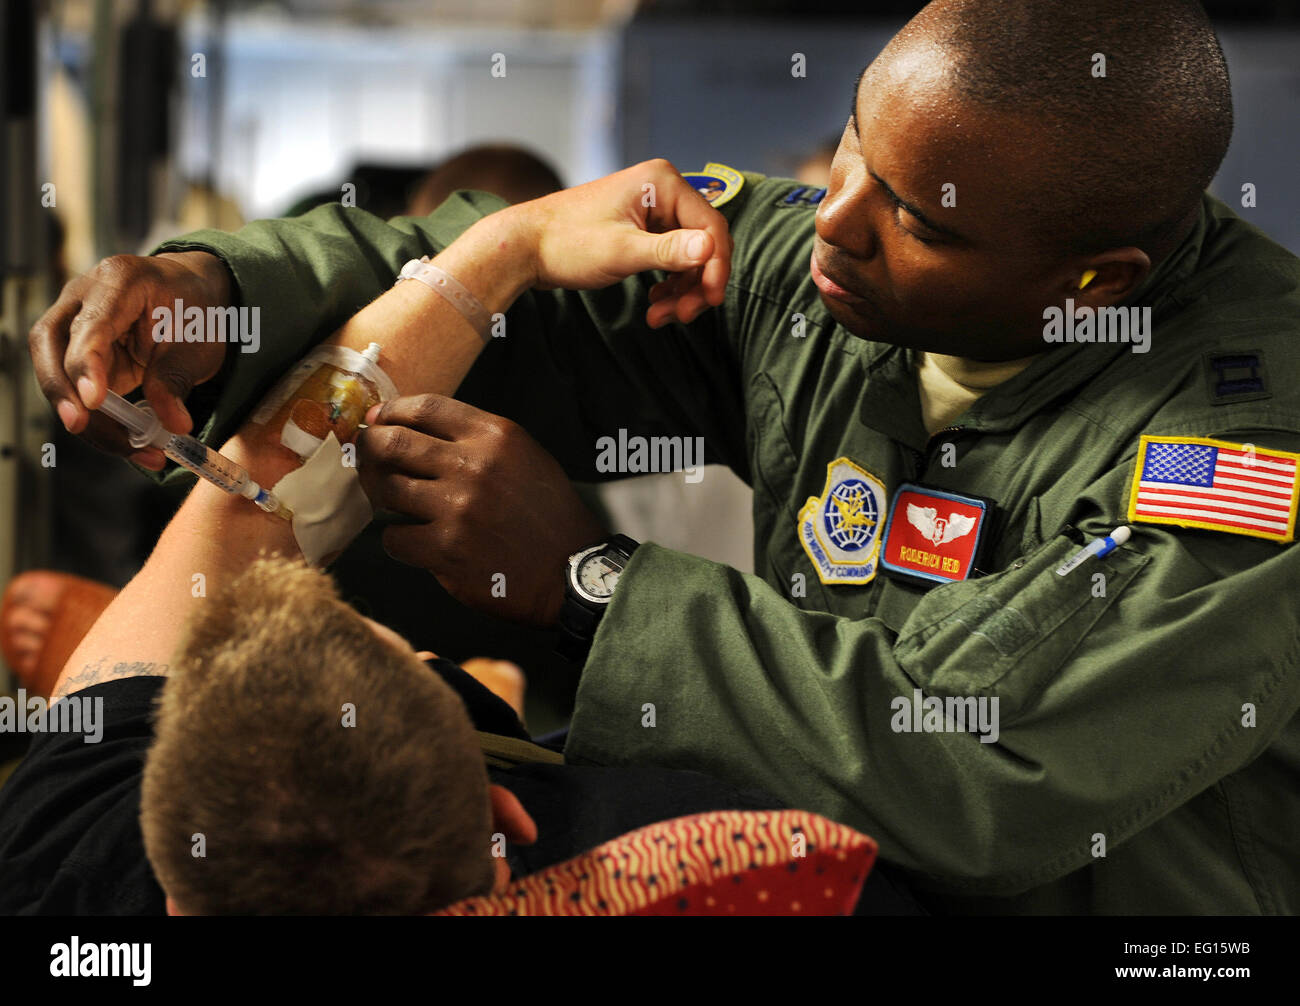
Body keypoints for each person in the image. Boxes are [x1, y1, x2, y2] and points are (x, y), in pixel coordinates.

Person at [28, 0, 1299, 914]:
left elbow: (984, 763)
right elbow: (488, 279)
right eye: (855, 141)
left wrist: (592, 581)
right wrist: (218, 297)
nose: (835, 220)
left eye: (917, 220)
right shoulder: (823, 275)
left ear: (1096, 283)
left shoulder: (1239, 453)